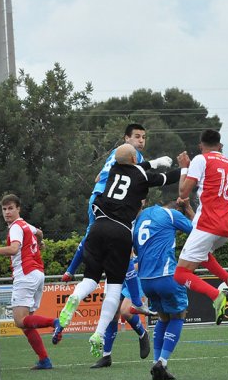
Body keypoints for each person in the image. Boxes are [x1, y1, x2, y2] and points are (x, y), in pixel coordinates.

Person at [54, 144, 182, 357]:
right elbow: (167, 178)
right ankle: (98, 333)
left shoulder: (113, 169)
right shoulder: (141, 175)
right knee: (113, 287)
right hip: (120, 231)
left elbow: (135, 165)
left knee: (90, 280)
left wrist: (155, 161)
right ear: (134, 159)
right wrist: (186, 168)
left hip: (97, 228)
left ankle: (75, 297)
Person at [61, 122, 170, 315]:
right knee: (123, 249)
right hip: (111, 204)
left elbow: (97, 178)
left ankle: (70, 271)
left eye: (144, 137)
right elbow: (143, 177)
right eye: (137, 136)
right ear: (126, 139)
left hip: (97, 198)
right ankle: (137, 300)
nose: (141, 140)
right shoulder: (132, 157)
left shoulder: (117, 155)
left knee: (91, 237)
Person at [172, 129, 228, 325]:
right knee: (203, 256)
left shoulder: (201, 159)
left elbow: (183, 192)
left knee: (180, 275)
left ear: (200, 145)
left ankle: (216, 295)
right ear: (220, 145)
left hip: (208, 225)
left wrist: (184, 168)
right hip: (227, 226)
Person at [0, 194, 60, 369]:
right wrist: (40, 243)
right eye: (4, 209)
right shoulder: (25, 225)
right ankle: (44, 360)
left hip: (25, 275)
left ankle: (54, 322)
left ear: (18, 209)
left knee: (19, 321)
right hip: (37, 274)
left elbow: (14, 249)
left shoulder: (15, 228)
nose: (7, 212)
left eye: (11, 208)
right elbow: (39, 232)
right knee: (27, 324)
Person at [133, 199, 194, 380]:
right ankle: (163, 361)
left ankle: (157, 363)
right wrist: (189, 210)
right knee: (179, 315)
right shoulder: (171, 215)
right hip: (166, 275)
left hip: (146, 280)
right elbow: (197, 232)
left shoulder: (140, 219)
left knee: (163, 317)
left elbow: (136, 250)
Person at [89, 256, 152, 369]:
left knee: (125, 311)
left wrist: (133, 267)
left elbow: (144, 255)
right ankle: (106, 356)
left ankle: (143, 333)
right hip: (117, 275)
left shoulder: (134, 238)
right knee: (112, 315)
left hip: (134, 275)